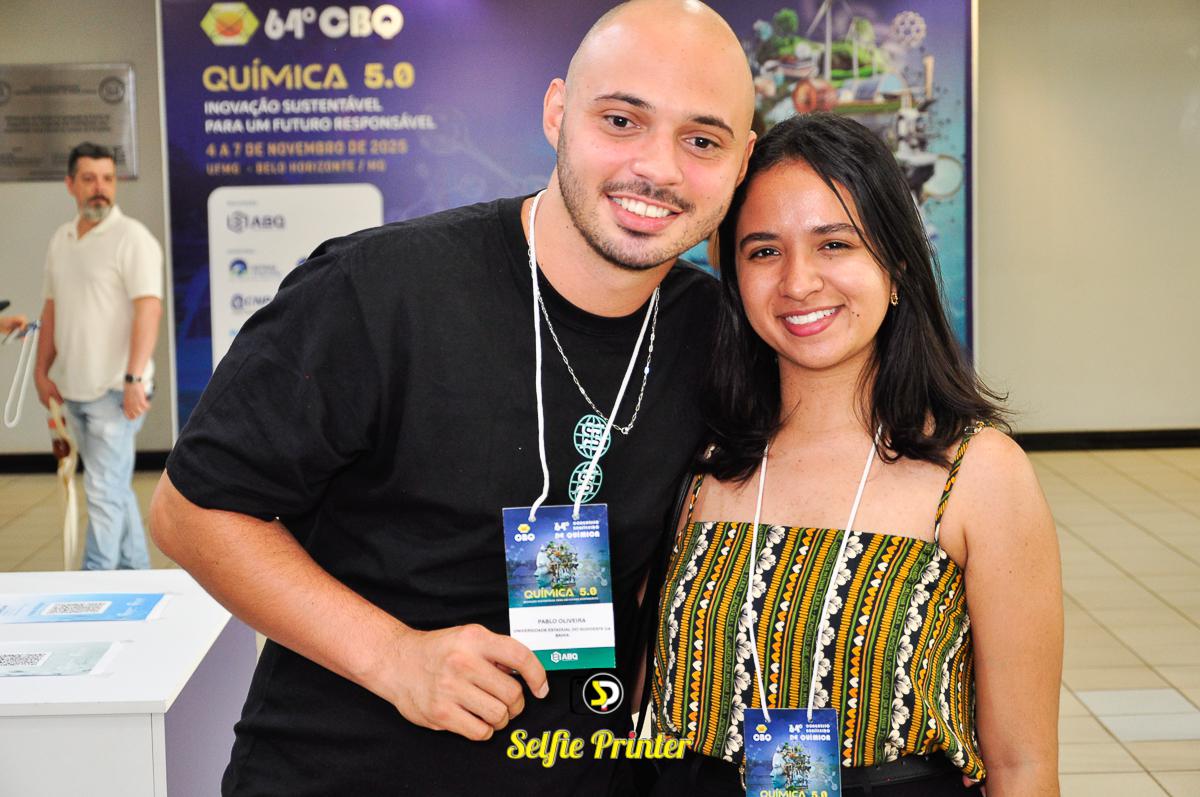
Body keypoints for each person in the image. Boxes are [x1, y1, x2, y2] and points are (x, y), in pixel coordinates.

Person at [148, 2, 756, 795]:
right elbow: (190, 512)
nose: (659, 168)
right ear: (557, 113)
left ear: (742, 160)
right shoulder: (379, 290)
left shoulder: (714, 334)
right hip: (341, 771)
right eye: (621, 120)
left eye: (702, 141)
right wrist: (394, 655)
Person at [649, 113, 1062, 796]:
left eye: (834, 244)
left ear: (896, 264)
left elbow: (1023, 765)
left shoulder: (977, 473)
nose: (799, 282)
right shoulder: (701, 460)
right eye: (763, 251)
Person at [35, 141, 163, 570]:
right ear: (70, 184)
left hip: (116, 391)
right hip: (74, 390)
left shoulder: (133, 239)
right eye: (89, 179)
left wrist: (133, 379)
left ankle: (93, 583)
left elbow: (149, 309)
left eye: (108, 179)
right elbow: (51, 311)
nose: (100, 188)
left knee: (103, 492)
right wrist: (41, 372)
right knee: (114, 489)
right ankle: (137, 576)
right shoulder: (62, 239)